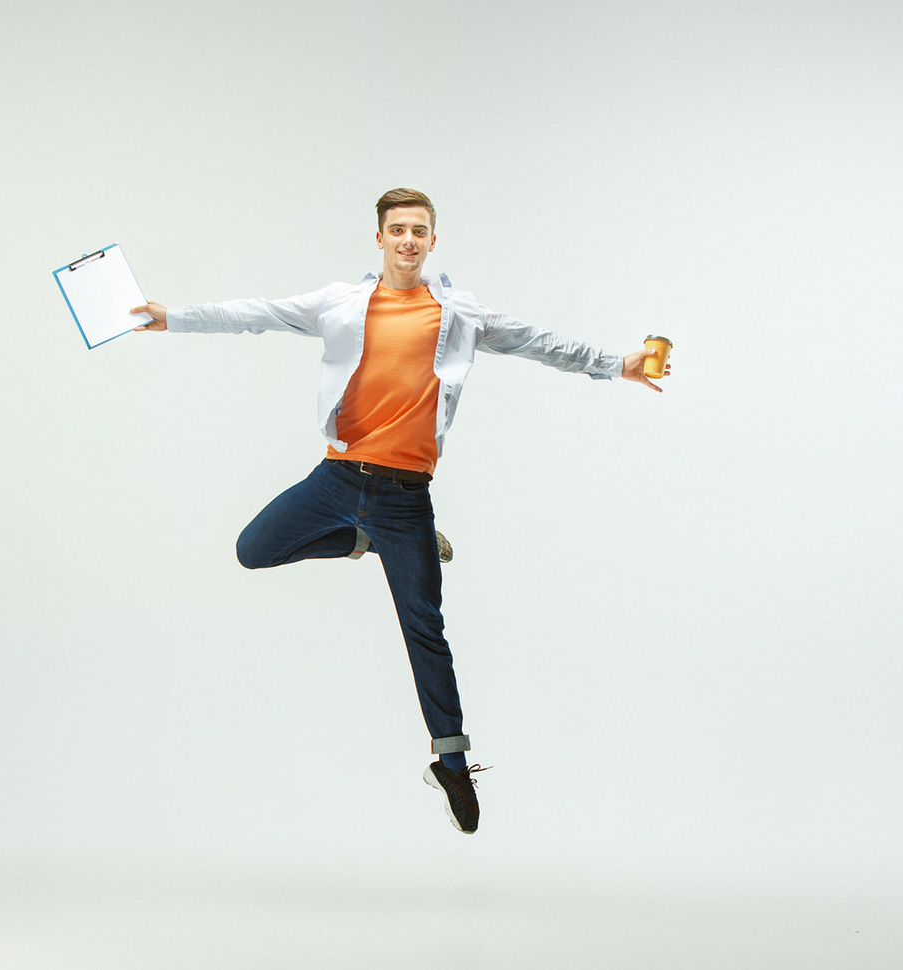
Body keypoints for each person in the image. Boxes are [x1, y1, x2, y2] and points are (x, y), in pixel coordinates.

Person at [130, 188, 668, 834]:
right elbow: (259, 314)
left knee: (425, 630)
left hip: (406, 495)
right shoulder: (341, 304)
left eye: (419, 231)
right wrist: (174, 318)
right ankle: (363, 542)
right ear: (379, 239)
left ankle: (451, 759)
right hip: (336, 478)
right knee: (253, 548)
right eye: (397, 230)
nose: (408, 240)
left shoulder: (456, 313)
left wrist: (617, 365)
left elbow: (537, 342)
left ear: (432, 242)